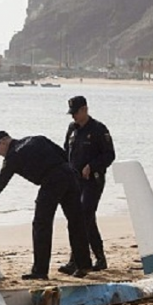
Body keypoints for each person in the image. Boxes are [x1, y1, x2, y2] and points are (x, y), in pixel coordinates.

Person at [0, 131, 93, 280]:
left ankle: (40, 271)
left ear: (3, 143)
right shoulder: (37, 138)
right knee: (76, 221)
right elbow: (63, 154)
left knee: (41, 224)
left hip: (51, 181)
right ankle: (84, 264)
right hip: (68, 174)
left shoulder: (12, 156)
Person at [58, 96, 116, 274]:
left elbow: (109, 155)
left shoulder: (99, 129)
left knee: (83, 218)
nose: (73, 117)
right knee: (86, 220)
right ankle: (100, 258)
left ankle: (77, 260)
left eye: (75, 113)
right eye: (71, 113)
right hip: (74, 182)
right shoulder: (72, 129)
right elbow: (66, 152)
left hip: (93, 181)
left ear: (84, 110)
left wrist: (91, 166)